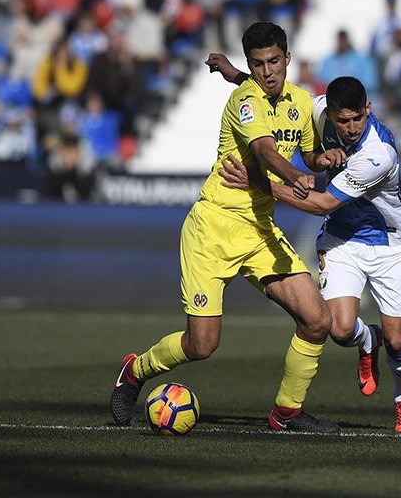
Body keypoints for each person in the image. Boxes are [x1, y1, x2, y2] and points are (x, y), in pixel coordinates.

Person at [110, 22, 339, 433]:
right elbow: (266, 152)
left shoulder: (301, 101)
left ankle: (286, 413)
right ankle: (136, 370)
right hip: (213, 227)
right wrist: (293, 177)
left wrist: (325, 159)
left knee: (317, 319)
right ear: (251, 65)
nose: (267, 72)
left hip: (259, 229)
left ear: (288, 58)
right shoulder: (244, 100)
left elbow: (307, 152)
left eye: (273, 61)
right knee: (202, 346)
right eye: (257, 64)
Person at [217, 73, 401, 433]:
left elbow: (322, 204)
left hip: (390, 244)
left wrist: (259, 183)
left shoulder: (378, 153)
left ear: (368, 109)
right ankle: (366, 339)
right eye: (343, 120)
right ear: (329, 113)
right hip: (342, 240)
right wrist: (234, 74)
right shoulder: (315, 110)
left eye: (358, 117)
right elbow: (275, 94)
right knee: (340, 330)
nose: (351, 127)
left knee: (397, 339)